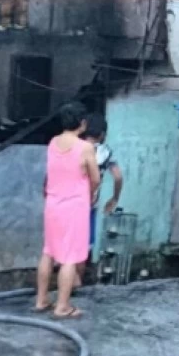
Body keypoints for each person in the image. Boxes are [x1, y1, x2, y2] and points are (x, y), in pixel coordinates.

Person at [34, 101, 99, 319]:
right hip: (74, 206)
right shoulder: (85, 147)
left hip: (53, 203)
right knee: (70, 257)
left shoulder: (53, 143)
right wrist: (90, 194)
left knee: (48, 252)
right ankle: (62, 306)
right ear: (82, 123)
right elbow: (95, 178)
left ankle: (41, 300)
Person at [81, 113, 123, 254]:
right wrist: (115, 198)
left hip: (70, 203)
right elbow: (118, 177)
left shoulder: (75, 147)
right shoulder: (105, 152)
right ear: (102, 134)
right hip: (90, 204)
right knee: (85, 246)